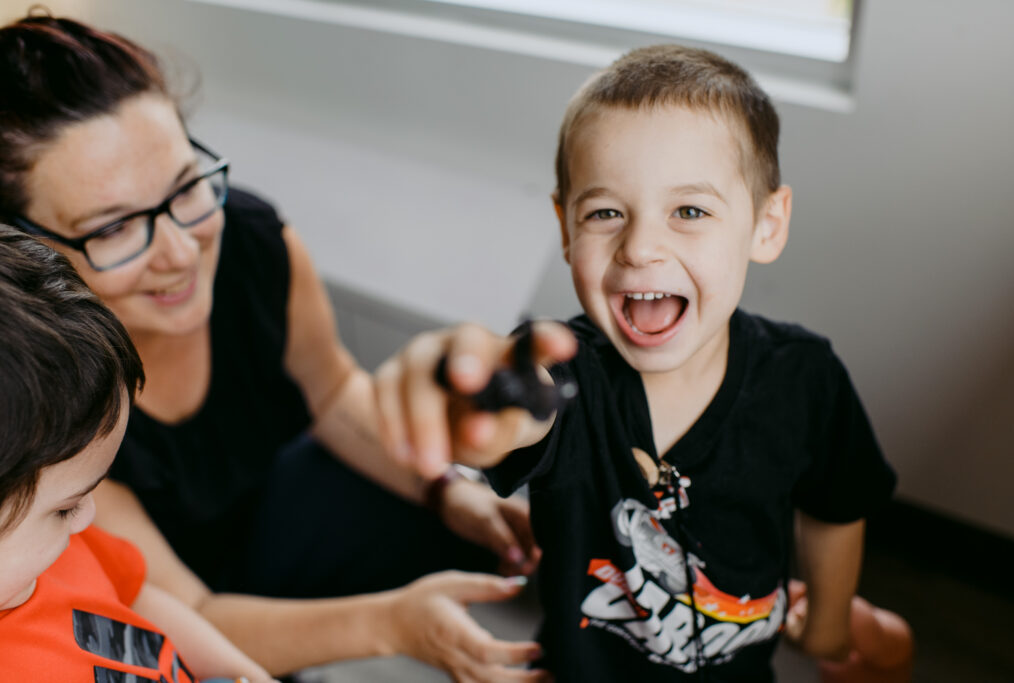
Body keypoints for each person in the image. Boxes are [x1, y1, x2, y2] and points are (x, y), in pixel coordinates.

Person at [0, 11, 546, 681]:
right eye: (113, 228)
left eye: (184, 189)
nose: (180, 252)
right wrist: (387, 623)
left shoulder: (251, 239)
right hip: (190, 596)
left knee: (471, 522)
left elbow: (336, 391)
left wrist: (447, 493)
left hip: (271, 510)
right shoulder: (52, 404)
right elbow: (184, 607)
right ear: (21, 249)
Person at [374, 45, 901, 680]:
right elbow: (520, 410)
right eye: (604, 213)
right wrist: (474, 391)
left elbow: (835, 505)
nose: (641, 246)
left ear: (766, 223)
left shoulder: (806, 378)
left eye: (689, 211)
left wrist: (829, 624)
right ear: (566, 229)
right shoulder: (566, 374)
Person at [0, 225, 274, 683]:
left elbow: (138, 596)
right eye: (65, 506)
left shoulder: (55, 551)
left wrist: (241, 671)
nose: (88, 516)